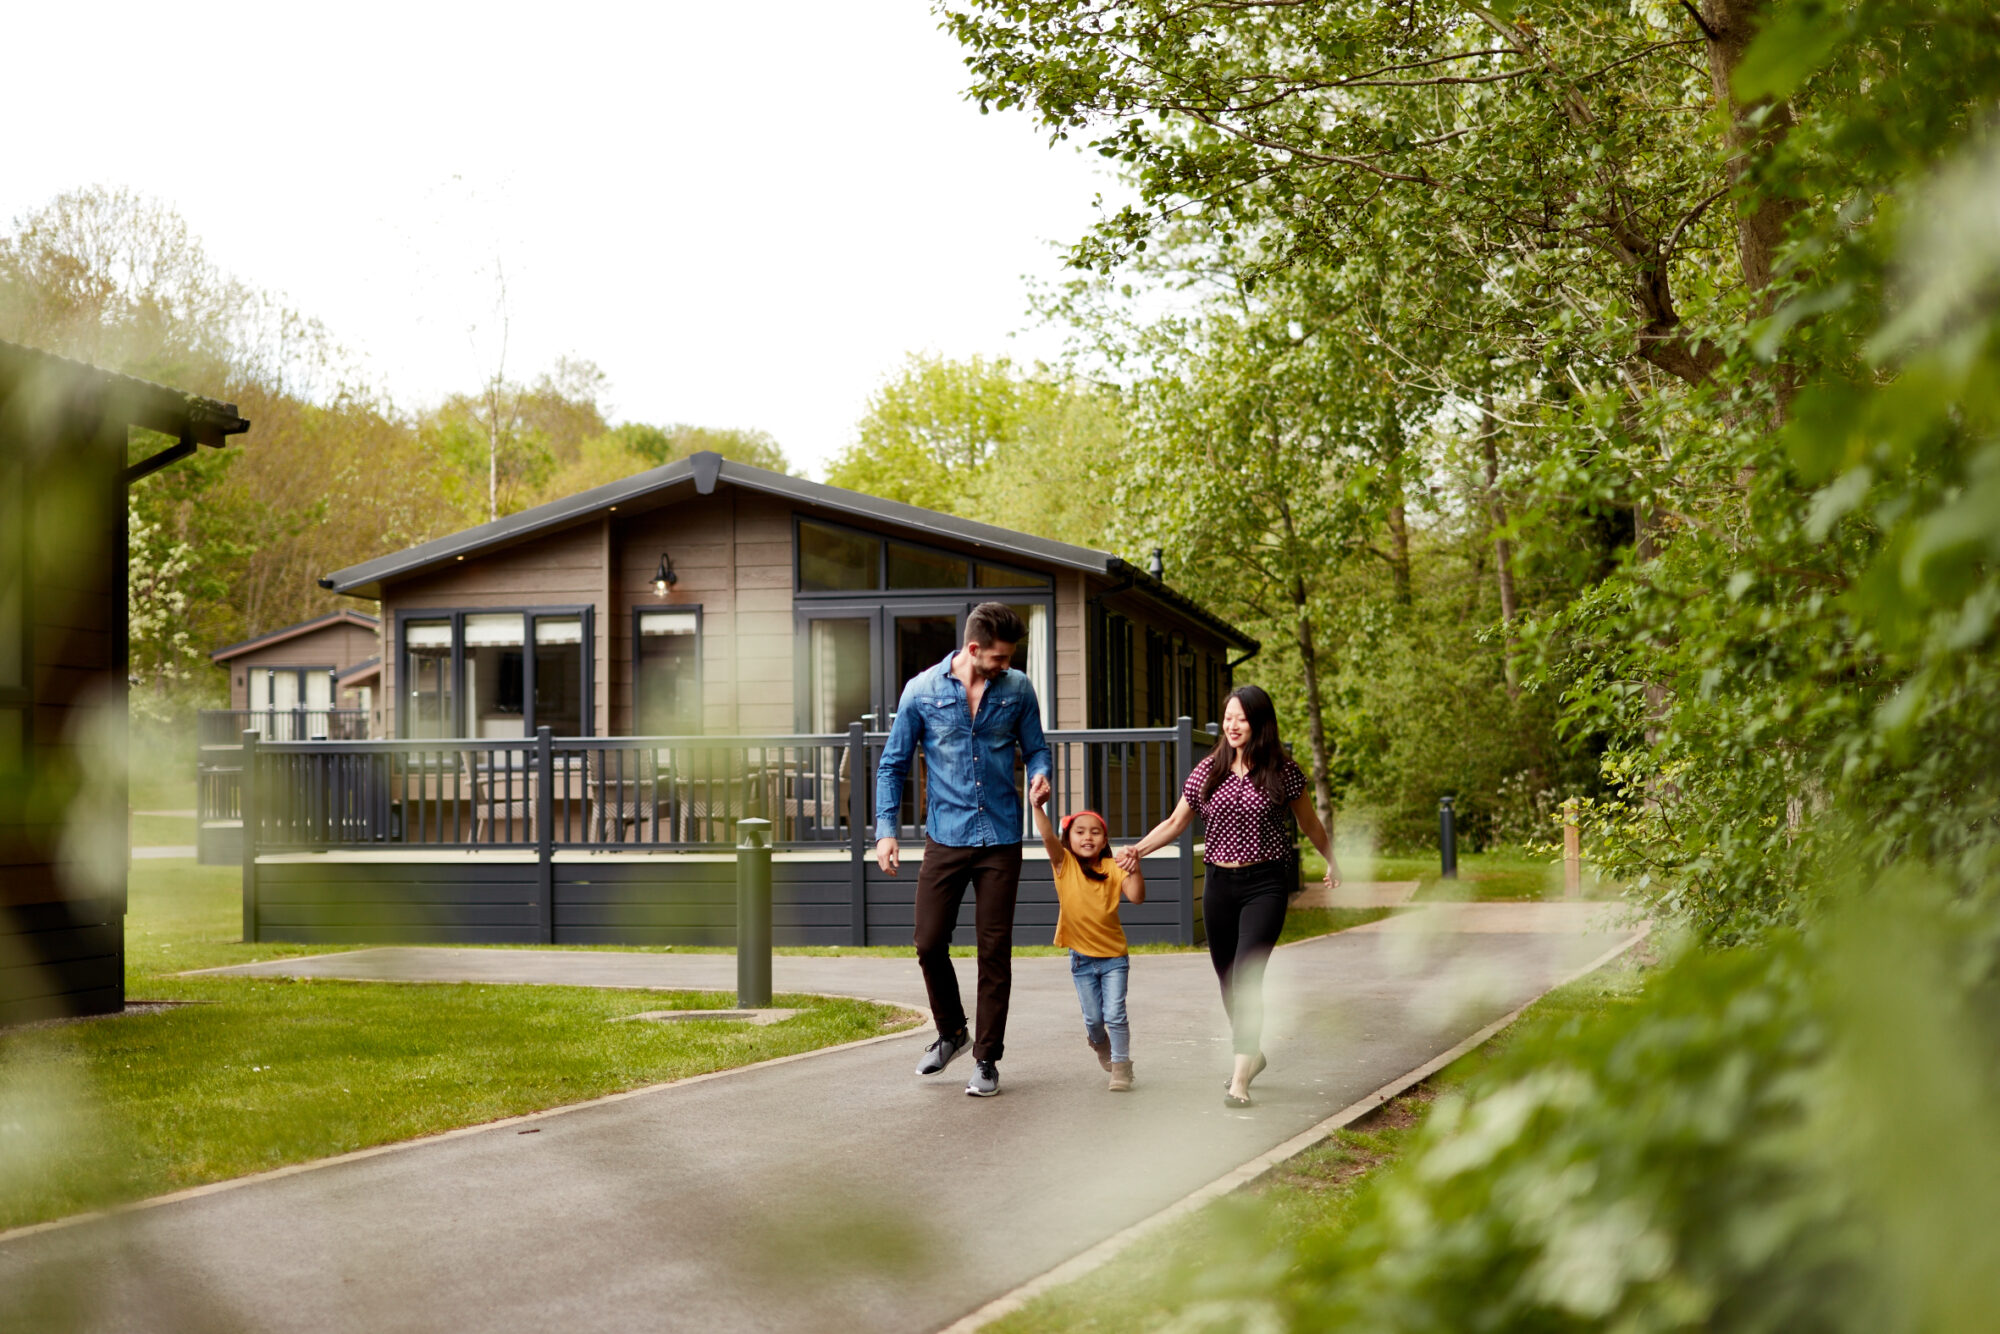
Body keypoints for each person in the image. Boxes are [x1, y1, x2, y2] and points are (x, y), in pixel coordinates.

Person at [1114, 685, 1340, 1108]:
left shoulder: (1282, 771)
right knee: (1227, 979)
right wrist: (1137, 850)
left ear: (1259, 723)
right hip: (1218, 884)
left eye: (1242, 718)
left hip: (1265, 885)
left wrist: (1332, 860)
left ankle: (1239, 1079)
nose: (1233, 726)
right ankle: (1252, 1053)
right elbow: (1175, 822)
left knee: (1246, 979)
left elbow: (1309, 823)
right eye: (1229, 718)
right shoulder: (1209, 770)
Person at [876, 602, 1052, 1098]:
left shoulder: (1017, 689)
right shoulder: (922, 690)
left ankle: (987, 1059)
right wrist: (885, 830)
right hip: (946, 836)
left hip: (1000, 838)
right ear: (973, 649)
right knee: (929, 941)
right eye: (998, 657)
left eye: (1009, 658)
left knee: (994, 951)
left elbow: (1037, 748)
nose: (1006, 665)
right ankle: (952, 1031)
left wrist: (1041, 774)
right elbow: (892, 764)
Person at [1031, 793, 1145, 1092]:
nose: (1087, 837)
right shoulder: (1063, 864)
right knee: (1094, 1019)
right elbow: (1045, 836)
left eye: (1095, 832)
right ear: (1067, 837)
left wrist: (1135, 867)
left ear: (1105, 838)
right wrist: (1037, 807)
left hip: (1114, 958)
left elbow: (1136, 897)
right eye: (1079, 832)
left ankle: (1121, 1067)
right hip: (1081, 959)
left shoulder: (1113, 866)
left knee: (1115, 1014)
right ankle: (1098, 1042)